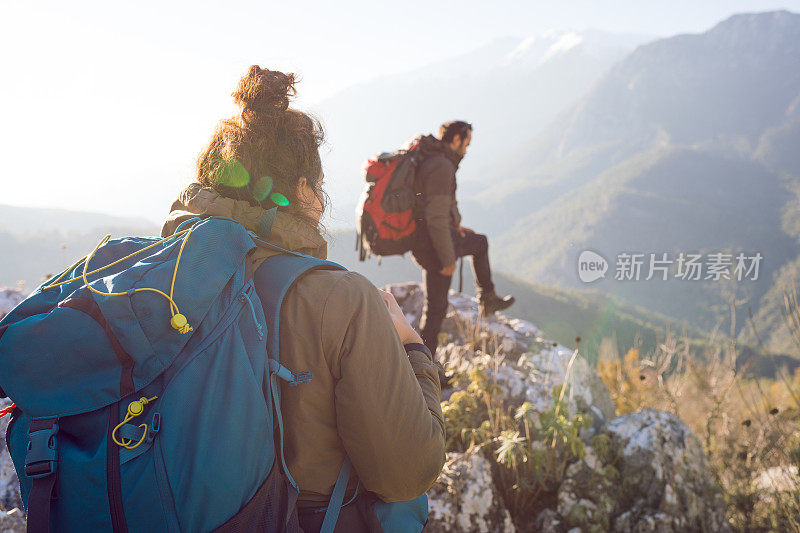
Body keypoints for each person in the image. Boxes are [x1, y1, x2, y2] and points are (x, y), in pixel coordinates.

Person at [161, 66, 445, 531]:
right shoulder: (341, 298)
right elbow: (408, 472)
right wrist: (413, 350)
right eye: (318, 184)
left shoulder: (161, 275)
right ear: (300, 191)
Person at [412, 121, 515, 355]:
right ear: (456, 140)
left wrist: (455, 227)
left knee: (478, 243)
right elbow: (435, 217)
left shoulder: (435, 160)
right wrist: (448, 259)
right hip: (435, 246)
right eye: (466, 144)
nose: (466, 151)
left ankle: (423, 362)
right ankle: (425, 366)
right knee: (436, 309)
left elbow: (435, 210)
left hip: (427, 241)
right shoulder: (441, 166)